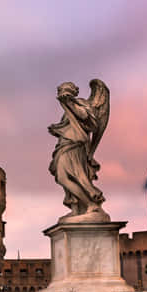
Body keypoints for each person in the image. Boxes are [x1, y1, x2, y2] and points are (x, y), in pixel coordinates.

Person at [48, 79, 109, 220]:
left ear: (69, 92)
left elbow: (86, 118)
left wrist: (69, 103)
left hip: (75, 146)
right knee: (63, 177)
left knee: (69, 176)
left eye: (62, 91)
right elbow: (69, 126)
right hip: (65, 145)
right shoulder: (67, 110)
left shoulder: (80, 103)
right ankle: (76, 208)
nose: (60, 94)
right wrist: (57, 129)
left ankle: (91, 203)